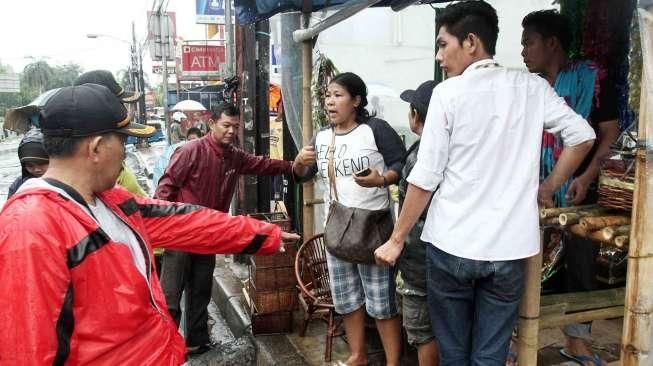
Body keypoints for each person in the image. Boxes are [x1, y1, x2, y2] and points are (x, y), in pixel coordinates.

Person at [0, 84, 298, 365]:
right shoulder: (31, 228)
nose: (126, 151)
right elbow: (27, 351)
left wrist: (263, 233)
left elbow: (186, 221)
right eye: (124, 141)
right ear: (96, 148)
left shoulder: (111, 202)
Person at [373, 2, 596, 365]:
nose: (438, 55)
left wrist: (396, 240)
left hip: (451, 247)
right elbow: (582, 136)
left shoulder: (449, 93)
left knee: (454, 355)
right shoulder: (531, 87)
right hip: (509, 251)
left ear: (471, 42)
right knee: (490, 356)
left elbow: (426, 177)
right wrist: (548, 186)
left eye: (443, 45)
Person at [155, 102, 305, 354]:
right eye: (226, 125)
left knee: (201, 290)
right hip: (181, 233)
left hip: (211, 234)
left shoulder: (234, 156)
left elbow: (262, 165)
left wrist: (292, 167)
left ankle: (196, 341)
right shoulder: (189, 151)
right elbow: (164, 190)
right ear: (211, 123)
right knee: (170, 295)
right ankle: (162, 348)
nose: (231, 131)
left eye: (235, 127)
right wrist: (163, 225)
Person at [517, 10, 620, 366]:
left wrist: (587, 175)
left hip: (577, 192)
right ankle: (520, 342)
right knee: (526, 266)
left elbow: (608, 134)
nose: (523, 52)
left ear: (552, 43)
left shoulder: (592, 79)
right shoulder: (528, 88)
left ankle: (577, 344)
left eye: (528, 42)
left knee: (579, 267)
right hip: (533, 192)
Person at [294, 72, 406, 366]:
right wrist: (297, 163)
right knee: (346, 299)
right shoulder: (320, 137)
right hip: (338, 230)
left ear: (356, 100)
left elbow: (401, 164)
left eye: (338, 95)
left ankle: (393, 362)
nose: (330, 101)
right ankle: (358, 355)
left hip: (373, 230)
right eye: (328, 96)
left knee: (382, 303)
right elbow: (301, 175)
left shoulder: (375, 130)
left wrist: (382, 180)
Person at [397, 80, 439, 366]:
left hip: (421, 260)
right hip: (448, 258)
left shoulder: (422, 157)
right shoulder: (454, 151)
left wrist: (395, 239)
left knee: (423, 332)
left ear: (415, 116)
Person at [7, 128, 49, 198]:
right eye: (30, 166)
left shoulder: (67, 180)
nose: (37, 169)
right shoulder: (18, 185)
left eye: (41, 163)